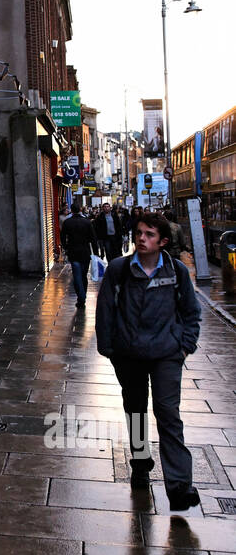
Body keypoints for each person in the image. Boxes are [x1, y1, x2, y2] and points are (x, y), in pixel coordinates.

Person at [95, 212, 202, 511]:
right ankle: (141, 461)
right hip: (129, 354)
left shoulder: (176, 271)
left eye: (149, 234)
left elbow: (191, 312)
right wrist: (110, 350)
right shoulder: (119, 269)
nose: (141, 238)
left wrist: (184, 347)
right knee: (137, 410)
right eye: (139, 233)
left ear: (163, 241)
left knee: (168, 414)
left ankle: (180, 486)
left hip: (167, 353)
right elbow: (105, 311)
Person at [60, 199, 96, 306]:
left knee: (77, 275)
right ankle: (82, 295)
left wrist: (65, 247)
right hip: (85, 251)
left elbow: (62, 237)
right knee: (83, 275)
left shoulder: (67, 222)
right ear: (80, 210)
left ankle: (81, 297)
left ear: (71, 210)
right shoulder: (87, 222)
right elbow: (93, 238)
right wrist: (96, 253)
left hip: (73, 251)